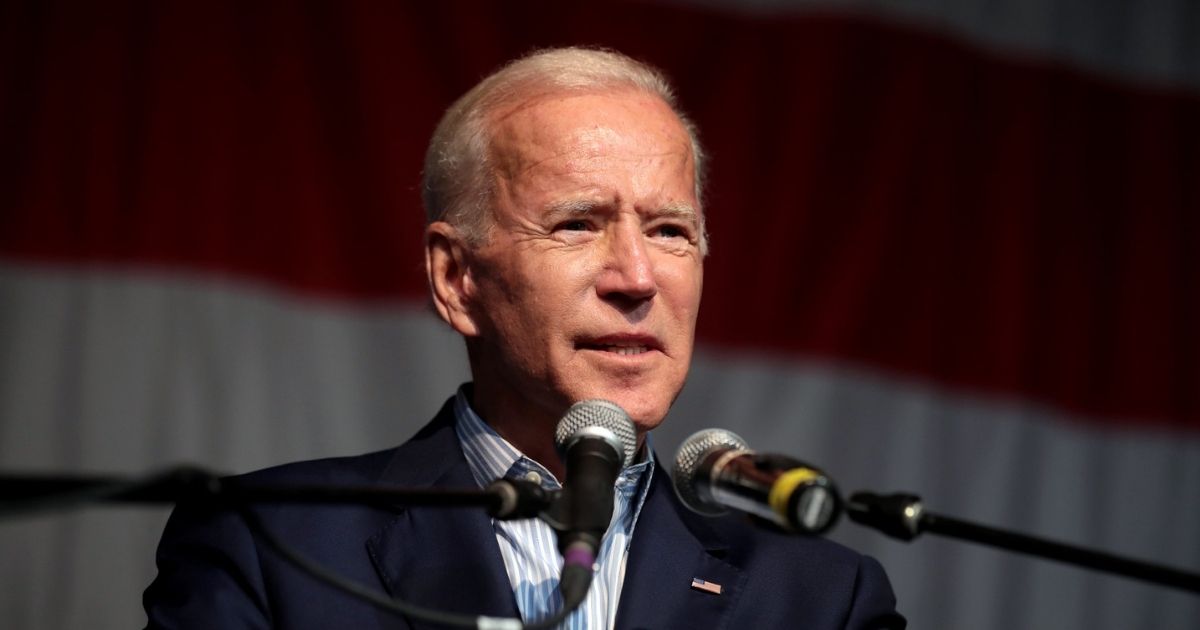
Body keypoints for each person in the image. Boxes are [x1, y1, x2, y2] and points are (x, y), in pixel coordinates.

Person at [144, 47, 905, 629]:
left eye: (671, 230)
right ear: (456, 278)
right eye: (578, 225)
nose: (637, 278)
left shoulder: (822, 600)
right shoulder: (273, 548)